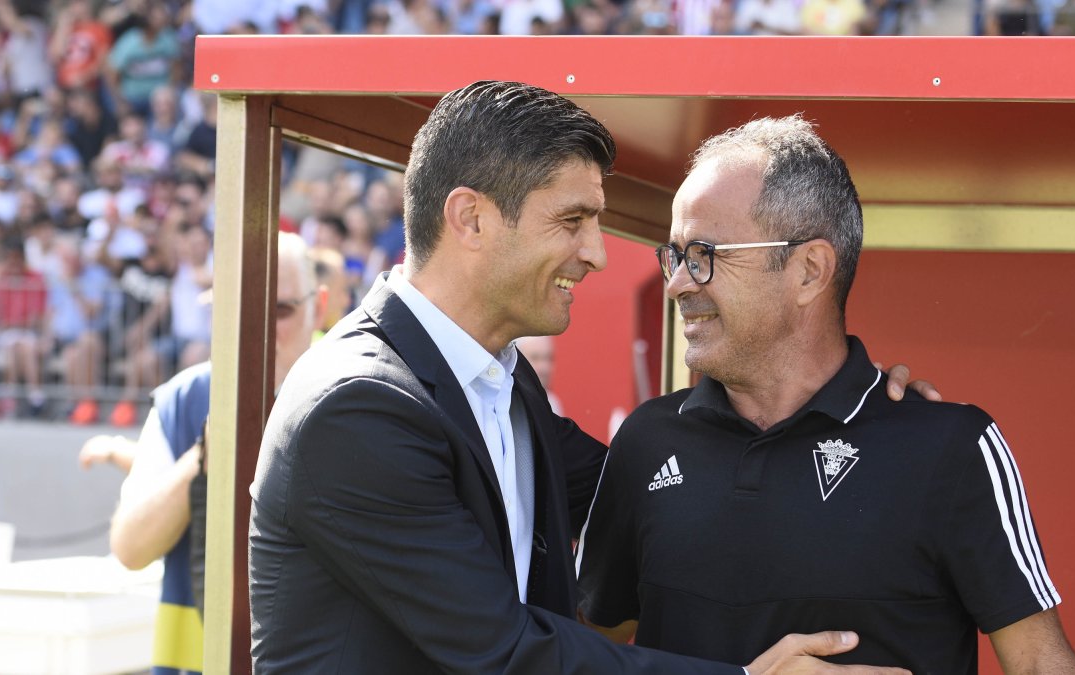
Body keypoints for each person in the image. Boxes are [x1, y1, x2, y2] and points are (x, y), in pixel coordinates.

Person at [248, 80, 922, 675]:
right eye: (572, 221)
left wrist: (857, 412)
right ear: (470, 218)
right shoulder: (357, 409)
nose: (597, 253)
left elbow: (673, 488)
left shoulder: (503, 383)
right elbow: (505, 652)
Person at [575, 116, 1075, 672]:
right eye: (673, 255)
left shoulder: (953, 447)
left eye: (704, 254)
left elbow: (1041, 663)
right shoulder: (647, 440)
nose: (677, 282)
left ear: (810, 271)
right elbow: (585, 646)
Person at [109, 232, 326, 675]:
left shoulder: (353, 393)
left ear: (318, 308)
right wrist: (206, 453)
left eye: (280, 310)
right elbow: (130, 548)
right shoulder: (184, 398)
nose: (258, 329)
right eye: (238, 308)